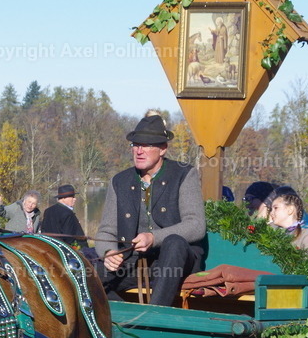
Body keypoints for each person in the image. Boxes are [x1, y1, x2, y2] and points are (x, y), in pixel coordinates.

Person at [96, 114, 206, 306]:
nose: (139, 151)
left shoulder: (184, 174)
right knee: (84, 277)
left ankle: (155, 315)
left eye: (146, 145)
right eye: (136, 145)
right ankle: (122, 320)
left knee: (173, 243)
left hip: (177, 261)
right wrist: (108, 252)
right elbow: (106, 231)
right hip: (134, 262)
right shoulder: (119, 181)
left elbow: (196, 225)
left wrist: (154, 238)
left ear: (163, 149)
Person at [268, 190, 308, 256]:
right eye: (271, 209)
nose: (271, 213)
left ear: (290, 210)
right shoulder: (272, 231)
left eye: (276, 208)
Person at [40, 184, 87, 248]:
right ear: (64, 198)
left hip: (50, 248)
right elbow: (68, 237)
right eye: (72, 197)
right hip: (70, 250)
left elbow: (43, 231)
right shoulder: (68, 213)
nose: (75, 199)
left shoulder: (48, 211)